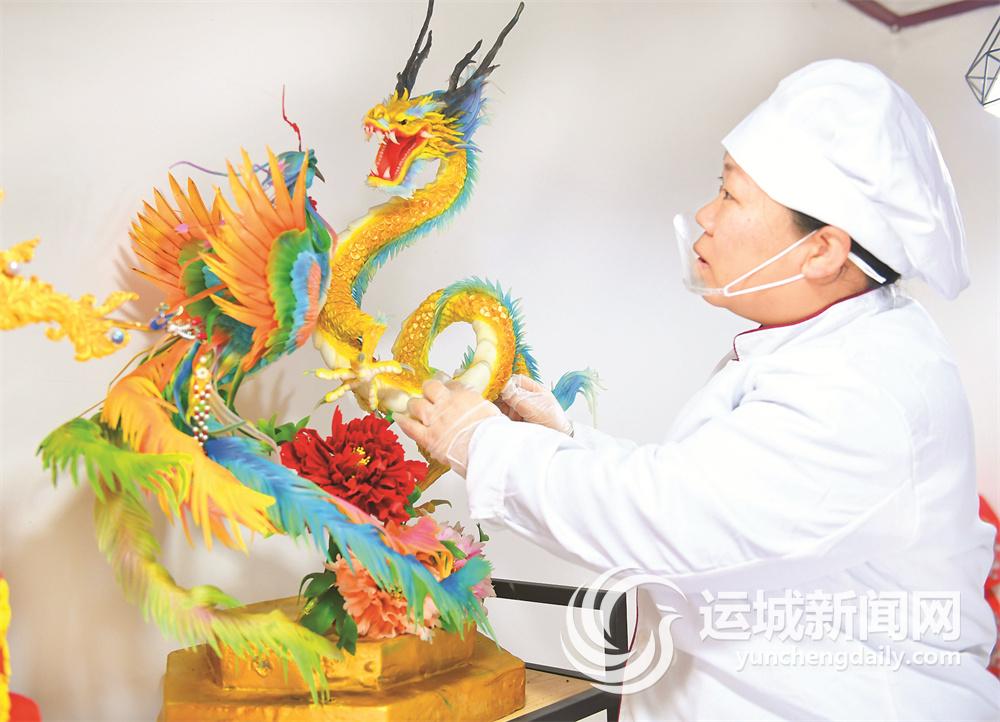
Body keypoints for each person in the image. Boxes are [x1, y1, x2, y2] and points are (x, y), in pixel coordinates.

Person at [395, 59, 1000, 720]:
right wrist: (567, 439)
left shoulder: (864, 388)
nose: (706, 217)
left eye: (731, 195)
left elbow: (671, 522)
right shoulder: (818, 347)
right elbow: (709, 488)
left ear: (822, 251)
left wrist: (482, 444)